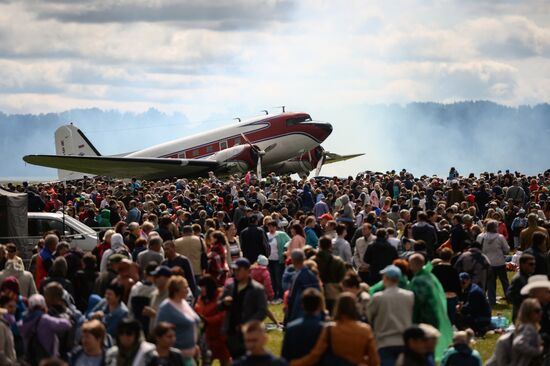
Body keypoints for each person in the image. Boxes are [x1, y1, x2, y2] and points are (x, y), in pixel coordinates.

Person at [290, 292, 380, 366]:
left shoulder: (330, 328)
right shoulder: (365, 330)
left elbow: (315, 355)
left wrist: (294, 363)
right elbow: (374, 360)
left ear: (337, 307)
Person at [218, 257, 267, 358]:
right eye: (234, 270)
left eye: (239, 270)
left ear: (247, 271)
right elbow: (218, 306)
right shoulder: (230, 287)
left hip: (249, 334)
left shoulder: (257, 289)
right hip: (231, 332)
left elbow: (262, 311)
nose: (236, 272)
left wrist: (248, 324)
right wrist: (224, 303)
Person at [408, 253, 453, 361]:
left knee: (424, 353)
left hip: (425, 320)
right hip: (433, 318)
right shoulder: (428, 276)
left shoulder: (419, 280)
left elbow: (418, 301)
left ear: (412, 265)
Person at [367, 265, 414, 366]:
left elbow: (369, 317)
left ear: (386, 278)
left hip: (384, 342)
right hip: (404, 341)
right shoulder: (410, 296)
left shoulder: (378, 297)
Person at [155, 276, 200, 362]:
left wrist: (194, 345)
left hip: (190, 356)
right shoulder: (166, 308)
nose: (187, 290)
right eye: (185, 288)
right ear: (176, 290)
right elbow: (158, 331)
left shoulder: (184, 303)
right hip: (176, 359)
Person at [18, 294, 72, 362]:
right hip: (47, 360)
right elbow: (66, 324)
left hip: (30, 360)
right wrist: (64, 317)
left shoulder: (22, 322)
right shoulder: (45, 319)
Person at [194, 275, 231, 366]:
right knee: (206, 362)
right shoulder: (201, 298)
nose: (201, 289)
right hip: (208, 337)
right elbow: (197, 308)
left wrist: (208, 320)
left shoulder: (221, 295)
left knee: (225, 361)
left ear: (209, 287)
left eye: (203, 287)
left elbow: (224, 314)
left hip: (222, 336)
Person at [281, 288, 325, 362]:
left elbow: (285, 356)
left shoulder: (291, 328)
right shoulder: (324, 329)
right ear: (320, 305)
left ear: (302, 305)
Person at [478, 220, 510, 305]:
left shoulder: (480, 237)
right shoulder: (500, 237)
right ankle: (509, 298)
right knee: (505, 282)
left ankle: (492, 300)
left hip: (487, 263)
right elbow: (507, 250)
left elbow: (478, 249)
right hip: (500, 263)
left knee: (490, 283)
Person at [286, 249, 321, 323]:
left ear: (293, 260)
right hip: (315, 313)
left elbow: (291, 297)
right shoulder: (312, 275)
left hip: (299, 313)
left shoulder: (297, 276)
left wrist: (288, 318)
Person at [313, 236, 346, 312]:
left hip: (317, 293)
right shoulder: (338, 261)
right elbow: (343, 279)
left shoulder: (312, 261)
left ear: (319, 246)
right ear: (331, 246)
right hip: (334, 293)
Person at [509, 298, 544, 366]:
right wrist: (537, 351)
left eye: (541, 310)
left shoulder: (529, 326)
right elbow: (518, 343)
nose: (540, 313)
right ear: (528, 313)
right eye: (537, 311)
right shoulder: (528, 328)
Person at [432, 248, 462, 325]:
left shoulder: (435, 270)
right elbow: (458, 286)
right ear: (451, 257)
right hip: (451, 297)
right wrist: (461, 300)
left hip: (439, 297)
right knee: (450, 322)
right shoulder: (454, 270)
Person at [266, 221, 291, 301]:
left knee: (278, 278)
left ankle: (281, 295)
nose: (271, 228)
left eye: (273, 226)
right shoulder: (266, 235)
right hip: (269, 260)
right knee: (271, 279)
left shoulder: (281, 234)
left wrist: (285, 248)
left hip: (278, 260)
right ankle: (274, 295)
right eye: (269, 227)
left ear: (276, 227)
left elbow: (290, 241)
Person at [507, 253, 535, 322]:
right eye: (531, 264)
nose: (533, 266)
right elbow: (509, 295)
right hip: (520, 317)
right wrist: (523, 301)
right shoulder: (518, 279)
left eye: (534, 264)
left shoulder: (528, 277)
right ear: (522, 264)